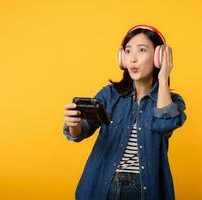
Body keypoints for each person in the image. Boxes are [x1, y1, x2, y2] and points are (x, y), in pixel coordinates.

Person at [63, 24, 187, 200]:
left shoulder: (172, 101)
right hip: (102, 184)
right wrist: (73, 124)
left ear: (159, 56)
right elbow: (81, 132)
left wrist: (163, 76)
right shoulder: (109, 95)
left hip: (143, 190)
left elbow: (164, 124)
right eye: (128, 51)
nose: (133, 59)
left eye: (142, 50)